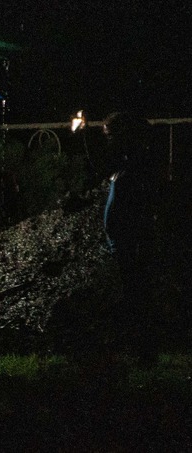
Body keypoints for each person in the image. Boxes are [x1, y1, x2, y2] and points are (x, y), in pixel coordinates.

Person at [102, 112, 163, 360]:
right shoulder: (130, 164)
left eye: (111, 136)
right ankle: (138, 348)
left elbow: (141, 209)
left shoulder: (138, 167)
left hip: (132, 243)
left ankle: (143, 351)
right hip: (125, 243)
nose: (109, 142)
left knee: (136, 294)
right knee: (133, 294)